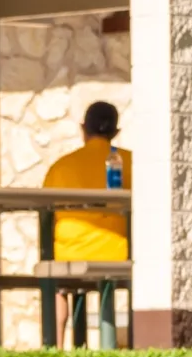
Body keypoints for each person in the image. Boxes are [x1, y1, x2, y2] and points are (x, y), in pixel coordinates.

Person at [44, 102, 132, 262]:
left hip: (69, 256)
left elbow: (46, 214)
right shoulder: (133, 163)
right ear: (116, 132)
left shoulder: (60, 166)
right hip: (121, 254)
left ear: (83, 129)